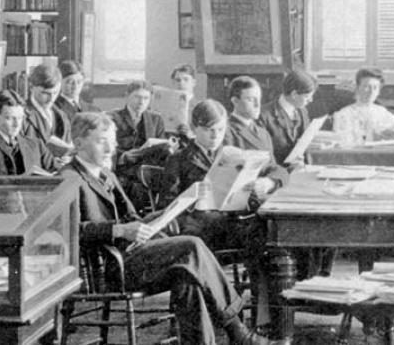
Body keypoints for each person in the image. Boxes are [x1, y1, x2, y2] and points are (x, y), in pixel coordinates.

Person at [60, 112, 279, 345]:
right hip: (108, 268)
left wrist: (170, 211)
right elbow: (66, 228)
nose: (110, 148)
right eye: (102, 140)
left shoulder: (105, 173)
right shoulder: (68, 178)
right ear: (78, 143)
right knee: (191, 246)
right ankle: (238, 332)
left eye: (112, 141)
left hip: (132, 254)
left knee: (187, 274)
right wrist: (119, 230)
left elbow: (133, 216)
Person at [157, 100, 288, 251]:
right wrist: (191, 196)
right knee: (259, 234)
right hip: (200, 226)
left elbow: (279, 170)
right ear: (194, 128)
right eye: (208, 130)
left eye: (220, 130)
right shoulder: (178, 159)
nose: (215, 136)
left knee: (271, 227)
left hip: (234, 219)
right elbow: (166, 205)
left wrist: (268, 182)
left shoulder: (233, 153)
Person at [109, 80, 176, 183]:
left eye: (146, 98)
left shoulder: (155, 119)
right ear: (127, 96)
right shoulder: (113, 117)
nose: (141, 102)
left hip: (147, 172)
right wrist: (125, 155)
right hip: (122, 171)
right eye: (137, 97)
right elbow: (108, 148)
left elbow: (161, 150)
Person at [332, 67, 394, 144]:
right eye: (366, 86)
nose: (371, 91)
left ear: (378, 92)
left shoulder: (382, 112)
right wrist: (373, 136)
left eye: (375, 88)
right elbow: (343, 142)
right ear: (357, 88)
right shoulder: (344, 114)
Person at [260, 69, 317, 166]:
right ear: (294, 94)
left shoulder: (302, 111)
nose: (311, 100)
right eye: (307, 96)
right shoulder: (264, 115)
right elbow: (264, 156)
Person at [23, 64, 73, 158]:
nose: (51, 99)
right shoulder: (22, 115)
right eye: (45, 93)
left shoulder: (61, 116)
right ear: (31, 87)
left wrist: (68, 159)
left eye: (55, 93)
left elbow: (68, 146)